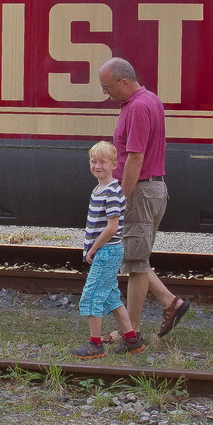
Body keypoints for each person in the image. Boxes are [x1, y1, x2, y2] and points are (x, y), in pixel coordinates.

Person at [99, 57, 190, 338]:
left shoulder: (137, 108)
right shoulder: (150, 100)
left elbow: (135, 159)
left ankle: (137, 327)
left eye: (108, 87)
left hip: (139, 189)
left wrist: (121, 198)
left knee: (135, 261)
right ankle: (164, 306)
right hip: (151, 188)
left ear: (124, 82)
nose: (106, 93)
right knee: (135, 259)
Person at [72, 141, 144, 359]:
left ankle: (95, 345)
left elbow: (112, 228)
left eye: (102, 162)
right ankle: (133, 341)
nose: (97, 166)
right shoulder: (100, 188)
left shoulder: (112, 192)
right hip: (107, 251)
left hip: (106, 251)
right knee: (112, 297)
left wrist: (92, 249)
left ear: (114, 164)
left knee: (91, 297)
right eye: (93, 161)